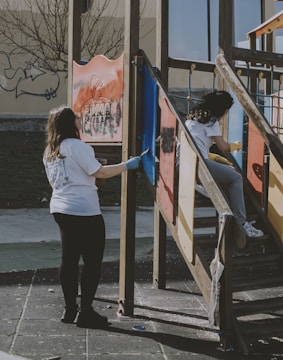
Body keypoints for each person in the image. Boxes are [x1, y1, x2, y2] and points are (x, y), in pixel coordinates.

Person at [43, 105, 141, 329]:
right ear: (70, 123)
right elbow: (101, 172)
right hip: (85, 211)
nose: (80, 120)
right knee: (92, 262)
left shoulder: (50, 149)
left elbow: (61, 178)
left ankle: (70, 310)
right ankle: (85, 312)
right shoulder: (78, 146)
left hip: (60, 209)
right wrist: (127, 165)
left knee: (68, 260)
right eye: (76, 118)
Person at [185, 90, 263, 238]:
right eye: (226, 111)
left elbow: (204, 152)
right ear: (221, 109)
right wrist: (236, 146)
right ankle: (242, 223)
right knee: (235, 178)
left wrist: (223, 163)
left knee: (227, 173)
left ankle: (201, 185)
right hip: (198, 165)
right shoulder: (211, 121)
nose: (226, 114)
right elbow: (223, 147)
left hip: (183, 162)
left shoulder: (191, 119)